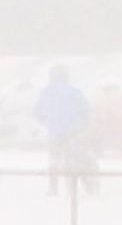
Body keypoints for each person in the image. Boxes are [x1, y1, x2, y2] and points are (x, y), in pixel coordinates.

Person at [33, 64, 93, 193]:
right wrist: (83, 125)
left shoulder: (46, 92)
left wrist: (46, 121)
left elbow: (37, 112)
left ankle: (53, 187)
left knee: (54, 158)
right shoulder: (74, 91)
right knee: (78, 157)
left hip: (55, 132)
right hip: (73, 131)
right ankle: (87, 184)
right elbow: (86, 110)